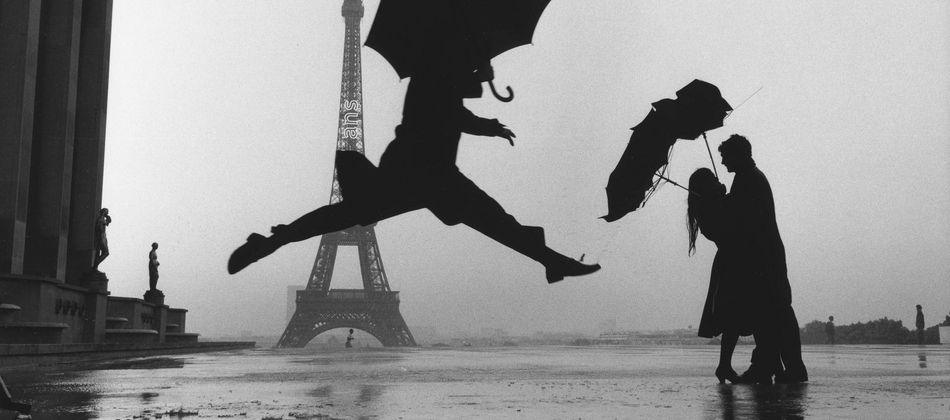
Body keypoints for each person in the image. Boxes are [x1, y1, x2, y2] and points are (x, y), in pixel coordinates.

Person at [228, 45, 599, 284]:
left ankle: (274, 240)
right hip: (430, 174)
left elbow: (453, 105)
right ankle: (551, 260)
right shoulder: (438, 72)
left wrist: (482, 100)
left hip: (411, 171)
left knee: (346, 215)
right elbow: (451, 107)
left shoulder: (435, 70)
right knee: (494, 220)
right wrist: (483, 90)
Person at [718, 134, 807, 384]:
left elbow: (744, 222)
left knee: (770, 312)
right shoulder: (750, 177)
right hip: (766, 257)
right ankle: (776, 366)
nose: (723, 162)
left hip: (761, 259)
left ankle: (773, 367)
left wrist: (724, 203)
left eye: (726, 157)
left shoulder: (749, 179)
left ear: (739, 155)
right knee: (772, 312)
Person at [687, 167, 747, 384]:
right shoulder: (707, 208)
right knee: (734, 316)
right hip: (732, 263)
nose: (716, 181)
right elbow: (730, 227)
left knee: (734, 316)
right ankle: (724, 365)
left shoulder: (707, 207)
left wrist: (723, 199)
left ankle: (724, 366)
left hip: (730, 262)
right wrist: (723, 199)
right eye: (712, 180)